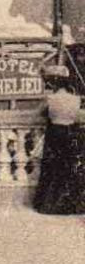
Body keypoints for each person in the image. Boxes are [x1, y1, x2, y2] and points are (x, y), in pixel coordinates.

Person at [33, 65, 83, 215]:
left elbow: (40, 114)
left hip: (54, 134)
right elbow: (78, 117)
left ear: (54, 84)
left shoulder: (50, 99)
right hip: (70, 133)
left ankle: (48, 204)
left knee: (52, 168)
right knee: (68, 168)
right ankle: (68, 204)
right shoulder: (76, 99)